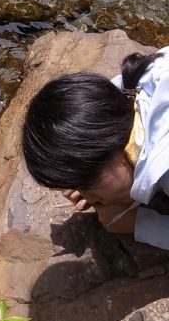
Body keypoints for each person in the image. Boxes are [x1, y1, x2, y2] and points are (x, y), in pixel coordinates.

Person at [21, 47, 169, 249]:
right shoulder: (139, 84)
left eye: (87, 185)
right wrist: (80, 174)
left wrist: (139, 223)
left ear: (109, 146)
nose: (89, 198)